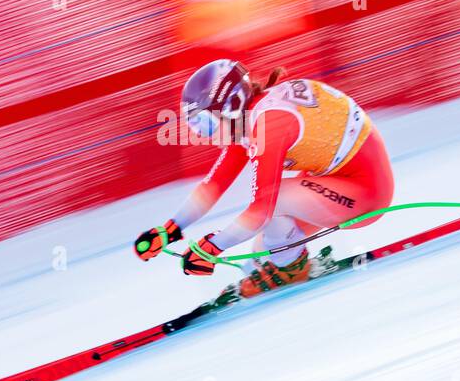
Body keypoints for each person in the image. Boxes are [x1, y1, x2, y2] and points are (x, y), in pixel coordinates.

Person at [134, 59, 394, 298]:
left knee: (274, 203)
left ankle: (292, 269)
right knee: (255, 260)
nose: (206, 136)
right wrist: (170, 229)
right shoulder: (248, 118)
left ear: (232, 106)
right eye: (197, 127)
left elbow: (264, 208)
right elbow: (214, 185)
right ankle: (286, 265)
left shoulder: (270, 123)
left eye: (206, 124)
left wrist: (211, 247)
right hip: (339, 181)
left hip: (367, 192)